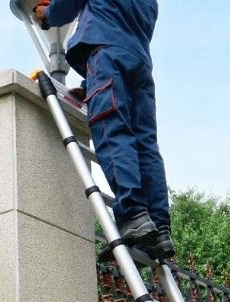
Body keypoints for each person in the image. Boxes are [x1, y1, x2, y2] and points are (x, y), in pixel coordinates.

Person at [35, 0, 175, 260]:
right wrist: (92, 85)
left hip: (106, 56)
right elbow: (121, 27)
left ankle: (133, 215)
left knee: (113, 130)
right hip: (139, 66)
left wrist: (47, 14)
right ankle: (160, 225)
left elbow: (67, 5)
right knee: (145, 145)